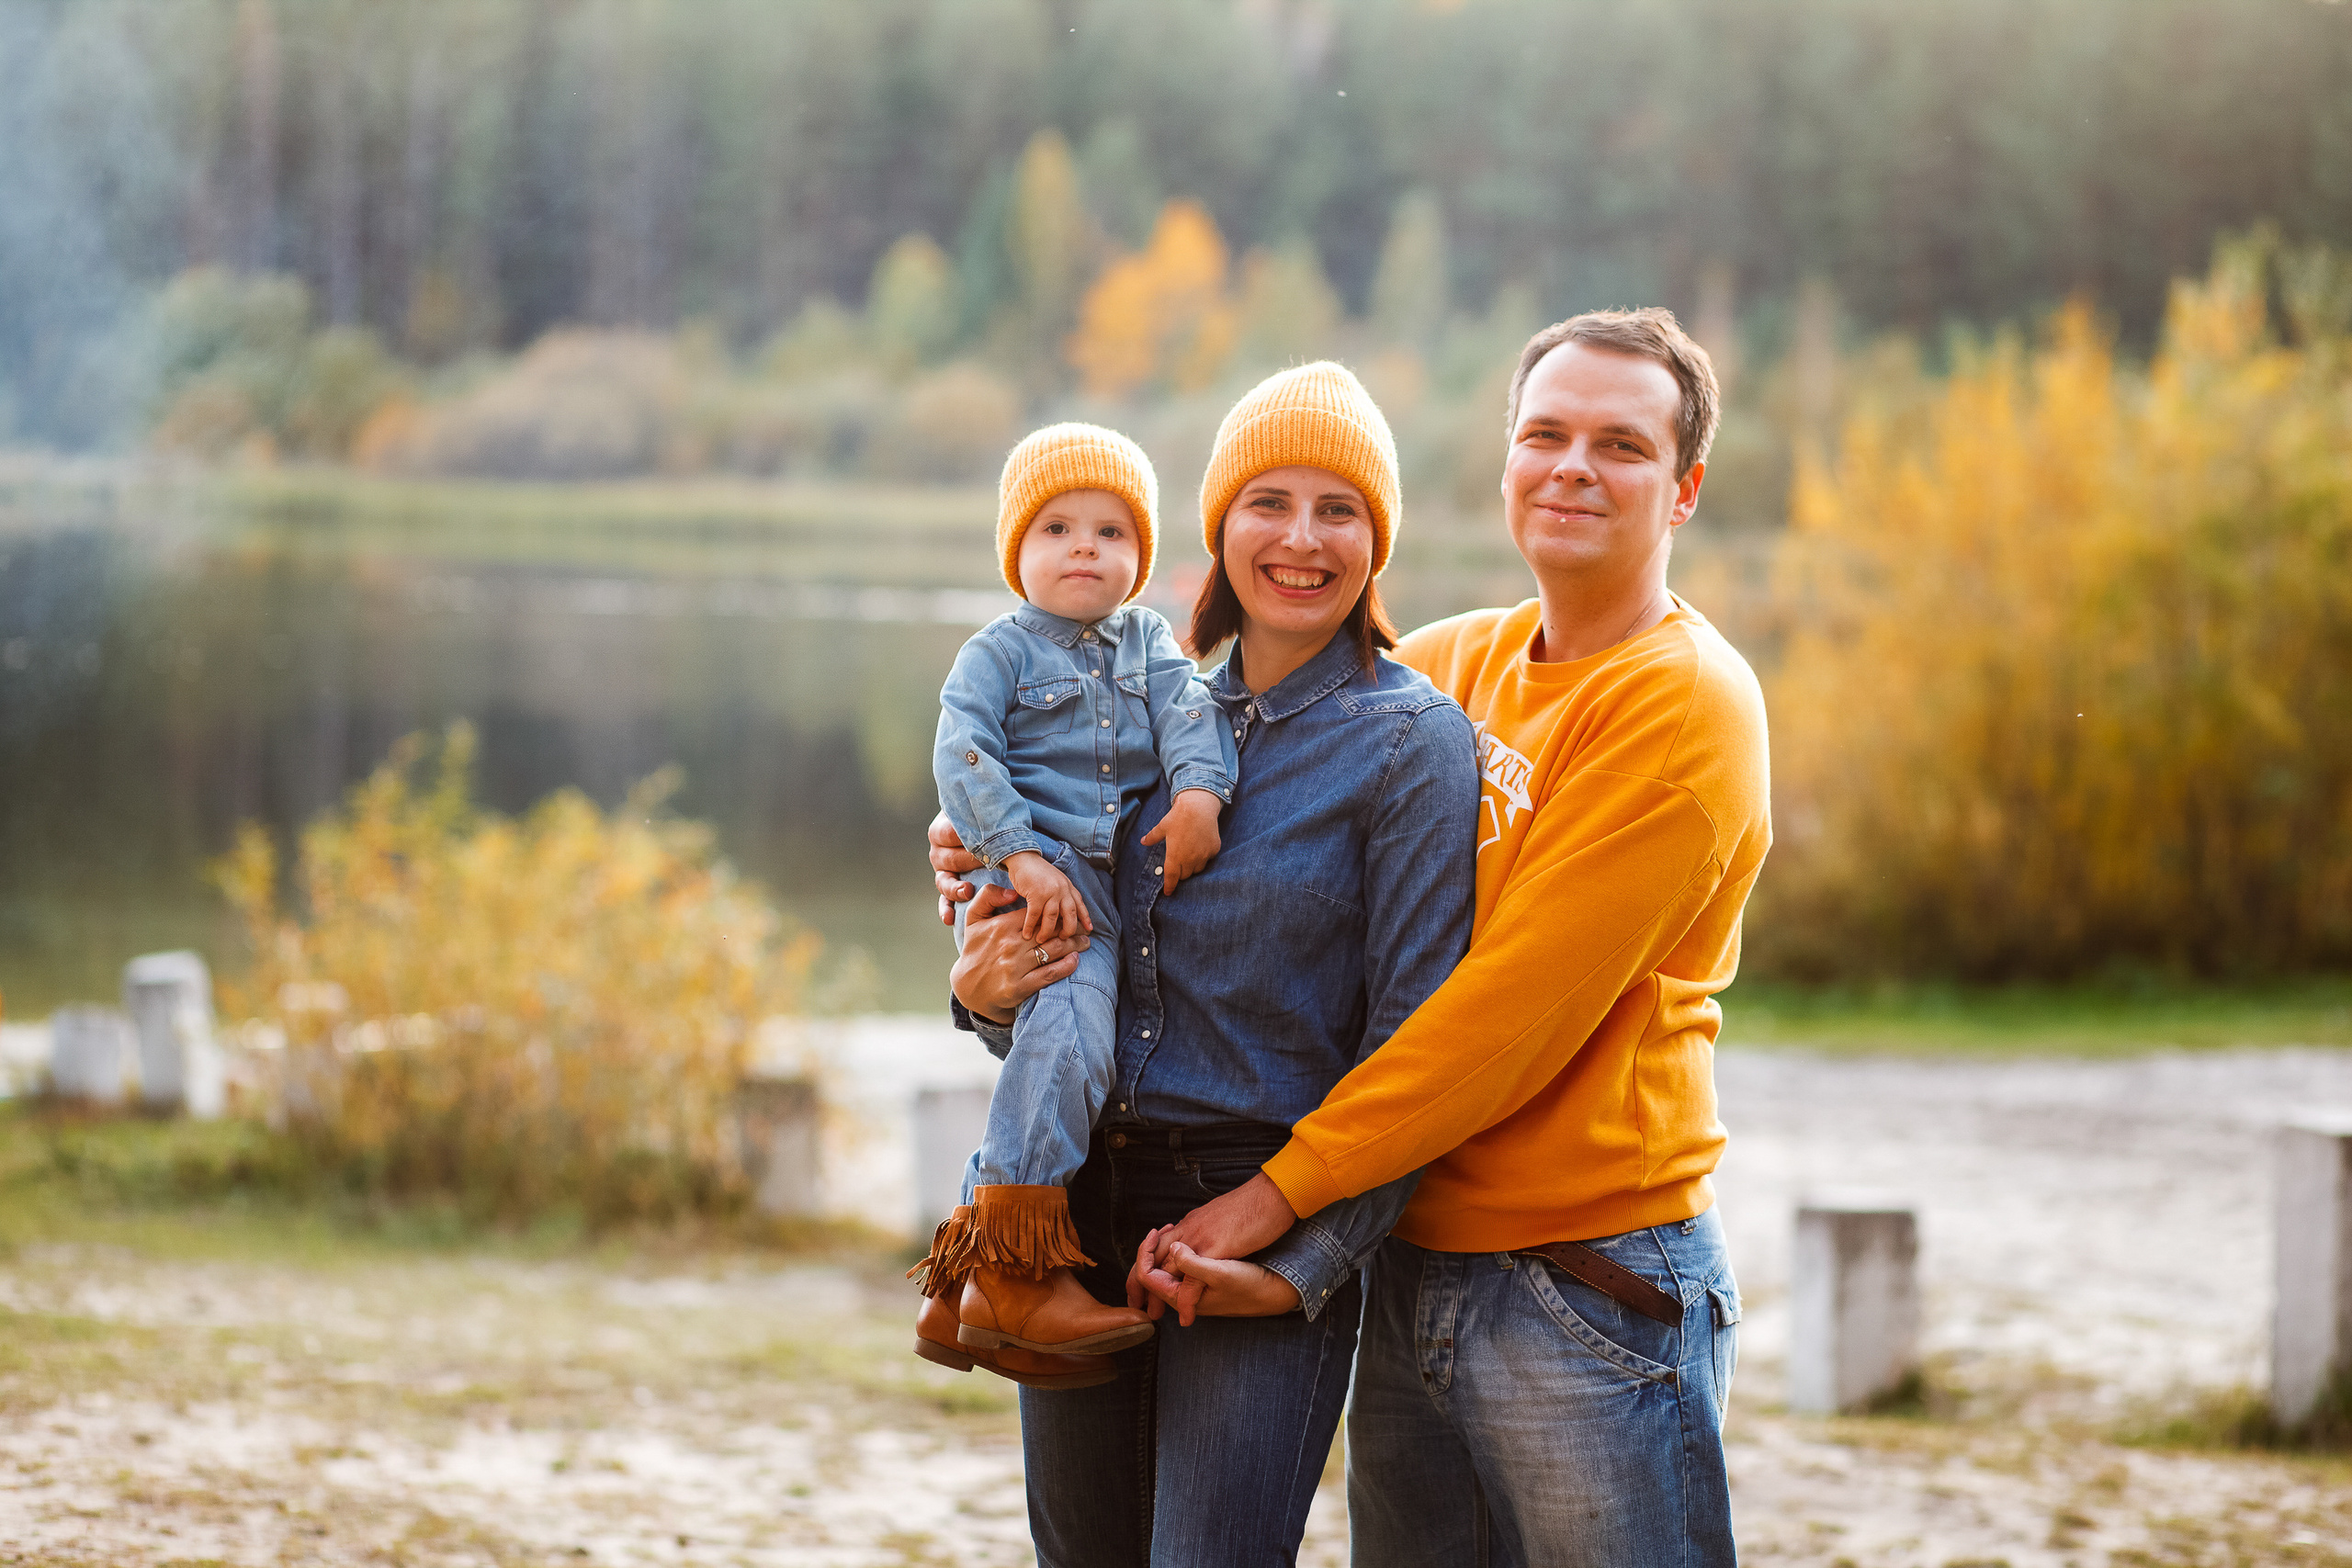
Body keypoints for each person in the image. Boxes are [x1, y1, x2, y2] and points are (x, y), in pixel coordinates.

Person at [1135, 308, 1771, 1567]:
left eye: (1621, 445)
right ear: (1506, 464)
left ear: (1685, 487)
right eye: (1546, 433)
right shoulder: (1445, 667)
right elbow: (1215, 766)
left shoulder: (1685, 701)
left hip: (1586, 1285)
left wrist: (1277, 1202)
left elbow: (1501, 1022)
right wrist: (1004, 842)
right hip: (1415, 1258)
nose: (1574, 465)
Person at [933, 362, 1479, 1565]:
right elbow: (1069, 970)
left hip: (1249, 1209)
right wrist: (979, 993)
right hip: (1073, 1204)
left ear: (1377, 540)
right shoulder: (1128, 707)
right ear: (1217, 526)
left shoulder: (1412, 743)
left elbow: (1417, 1053)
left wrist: (1304, 1269)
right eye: (1266, 501)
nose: (1300, 537)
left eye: (1339, 509)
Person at [910, 423, 1235, 1383]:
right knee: (1070, 1038)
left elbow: (1191, 722)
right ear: (1017, 553)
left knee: (1069, 1045)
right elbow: (959, 755)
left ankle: (962, 1277)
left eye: (1110, 530)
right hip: (1027, 880)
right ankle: (1013, 1273)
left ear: (1143, 552)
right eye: (1056, 529)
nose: (1085, 548)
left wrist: (1198, 797)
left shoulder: (1150, 644)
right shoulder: (997, 653)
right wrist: (1015, 853)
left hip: (1091, 883)